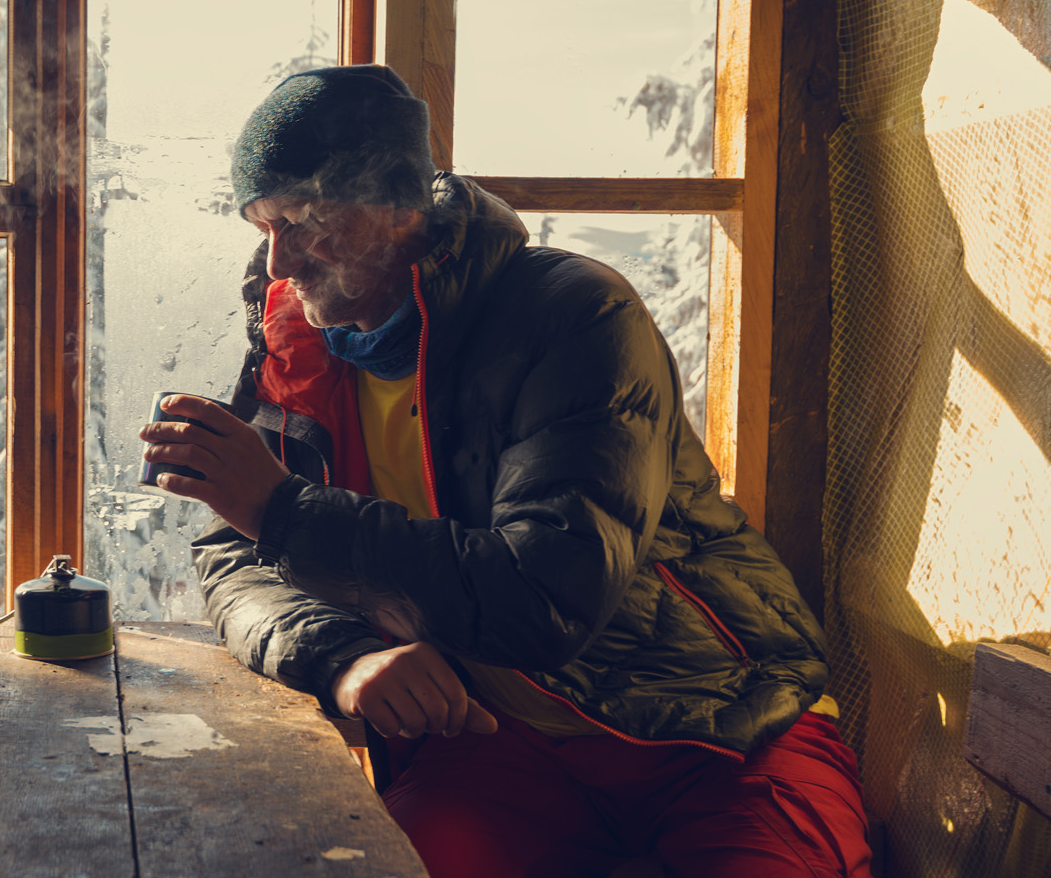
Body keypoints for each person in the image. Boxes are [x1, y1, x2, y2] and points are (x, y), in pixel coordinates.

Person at [140, 65, 872, 877]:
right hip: (492, 742)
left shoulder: (574, 315)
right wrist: (342, 654)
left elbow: (546, 602)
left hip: (716, 726)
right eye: (263, 222)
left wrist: (282, 510)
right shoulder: (301, 344)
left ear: (397, 207)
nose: (279, 259)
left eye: (306, 219)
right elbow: (235, 552)